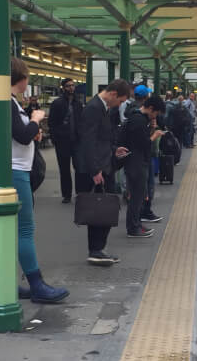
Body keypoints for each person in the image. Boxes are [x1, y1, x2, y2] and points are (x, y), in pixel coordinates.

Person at [10, 58, 69, 304]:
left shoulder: (10, 103)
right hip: (16, 172)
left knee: (11, 230)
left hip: (15, 170)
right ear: (22, 80)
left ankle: (7, 283)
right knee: (25, 229)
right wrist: (35, 119)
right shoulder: (8, 103)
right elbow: (22, 136)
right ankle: (37, 285)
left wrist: (33, 127)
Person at [77, 79, 132, 265]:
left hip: (104, 164)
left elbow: (100, 140)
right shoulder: (94, 108)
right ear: (114, 94)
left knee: (105, 208)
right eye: (121, 101)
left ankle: (99, 248)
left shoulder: (102, 107)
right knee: (101, 209)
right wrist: (95, 170)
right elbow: (88, 141)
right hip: (99, 168)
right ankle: (96, 249)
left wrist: (114, 150)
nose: (120, 104)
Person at [120, 95, 166, 238]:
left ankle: (137, 224)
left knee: (139, 195)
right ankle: (133, 228)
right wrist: (155, 135)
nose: (155, 116)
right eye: (156, 113)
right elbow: (142, 144)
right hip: (136, 162)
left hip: (137, 161)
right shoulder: (138, 120)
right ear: (151, 108)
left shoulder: (139, 119)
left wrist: (151, 128)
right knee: (136, 196)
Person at [47, 78, 82, 204]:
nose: (71, 88)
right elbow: (51, 123)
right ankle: (66, 194)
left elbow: (81, 120)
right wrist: (55, 139)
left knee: (79, 167)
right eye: (68, 86)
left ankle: (80, 193)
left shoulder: (78, 103)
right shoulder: (57, 104)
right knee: (64, 169)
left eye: (72, 85)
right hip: (62, 141)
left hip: (77, 141)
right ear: (63, 88)